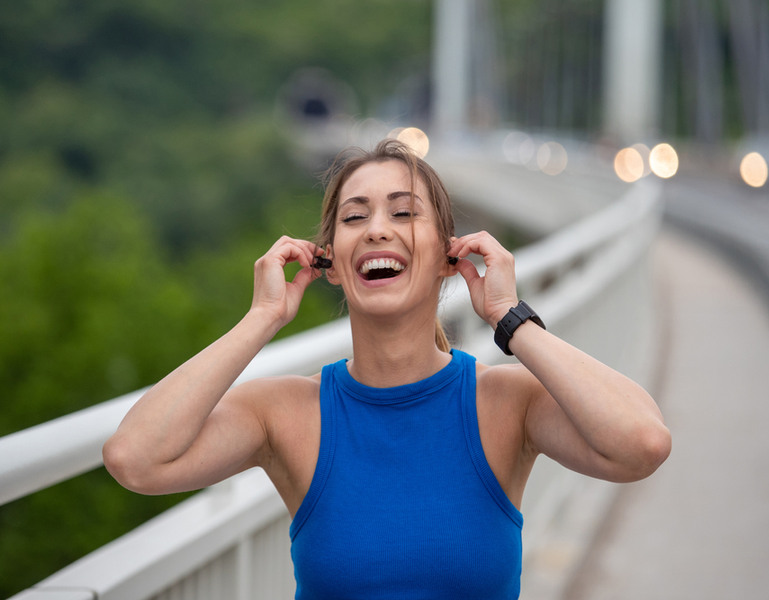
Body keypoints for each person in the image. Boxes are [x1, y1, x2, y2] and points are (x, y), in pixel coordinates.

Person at [103, 139, 671, 599]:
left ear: (451, 256)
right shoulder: (286, 414)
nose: (377, 229)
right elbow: (137, 458)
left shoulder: (504, 402)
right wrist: (263, 317)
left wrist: (507, 315)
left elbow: (642, 442)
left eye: (403, 212)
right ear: (328, 261)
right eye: (355, 217)